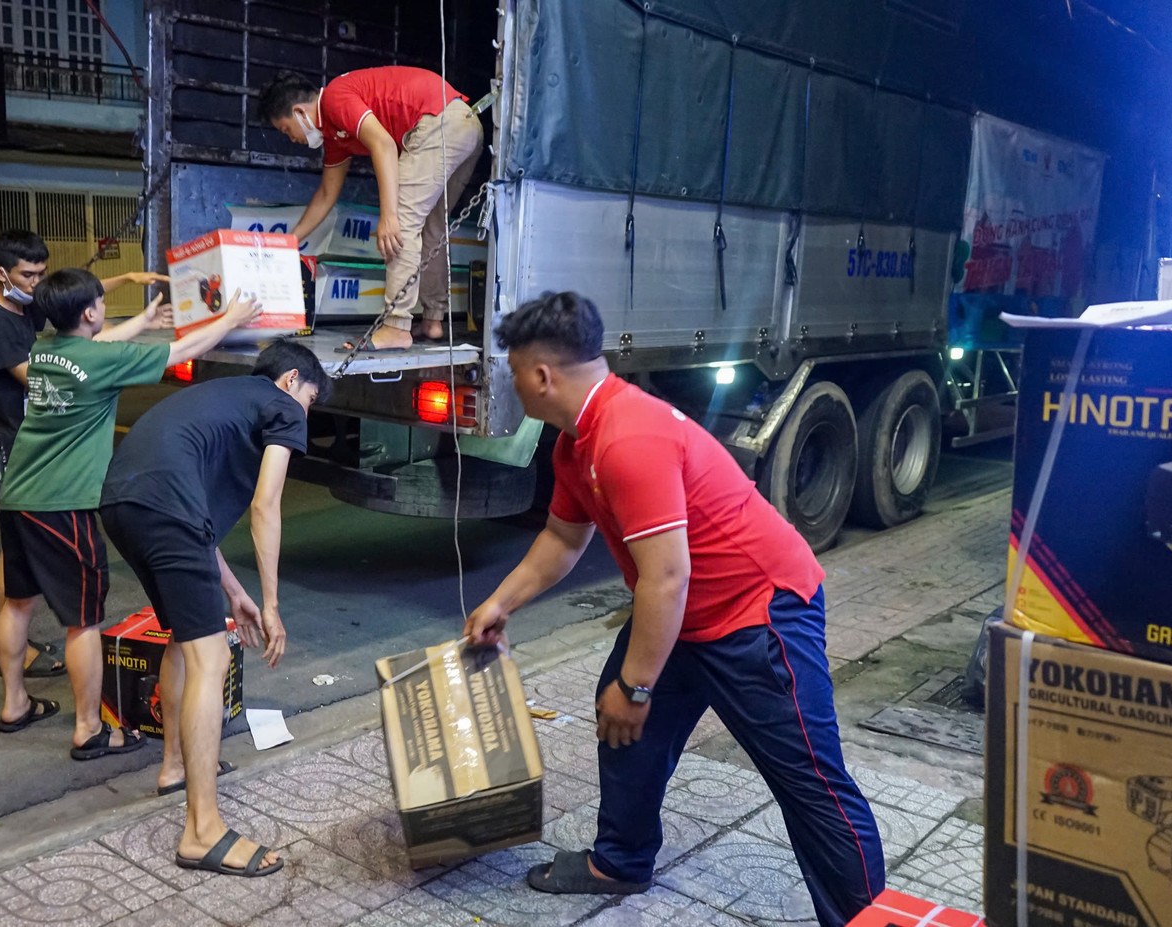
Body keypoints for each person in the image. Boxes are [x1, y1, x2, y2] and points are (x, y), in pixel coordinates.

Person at [462, 292, 885, 927]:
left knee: (812, 784)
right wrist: (500, 602)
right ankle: (621, 860)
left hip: (760, 612)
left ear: (541, 375)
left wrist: (638, 685)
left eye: (511, 369)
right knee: (623, 720)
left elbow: (664, 577)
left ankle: (871, 918)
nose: (510, 382)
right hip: (688, 611)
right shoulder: (577, 445)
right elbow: (561, 539)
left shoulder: (629, 437)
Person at [0, 268, 262, 763]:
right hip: (63, 504)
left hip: (17, 497)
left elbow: (101, 343)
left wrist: (141, 319)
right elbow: (182, 352)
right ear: (91, 312)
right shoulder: (101, 360)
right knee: (83, 621)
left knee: (17, 602)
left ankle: (14, 704)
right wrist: (231, 318)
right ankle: (90, 729)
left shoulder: (45, 352)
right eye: (101, 305)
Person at [100, 339, 328, 877]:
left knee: (186, 637)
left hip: (122, 502)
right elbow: (265, 504)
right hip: (164, 510)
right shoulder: (281, 406)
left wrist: (236, 593)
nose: (306, 414)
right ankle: (202, 832)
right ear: (292, 380)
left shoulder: (222, 398)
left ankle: (174, 766)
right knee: (212, 658)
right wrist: (272, 604)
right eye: (312, 399)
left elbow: (191, 521)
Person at [0, 229, 170, 677]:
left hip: (26, 450)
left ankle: (7, 655)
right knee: (20, 568)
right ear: (1, 273)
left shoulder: (27, 313)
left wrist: (126, 284)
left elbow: (75, 324)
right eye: (28, 275)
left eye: (41, 275)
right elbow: (69, 364)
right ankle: (7, 652)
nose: (36, 283)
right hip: (9, 449)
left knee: (17, 565)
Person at [260, 67, 482, 352]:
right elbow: (327, 193)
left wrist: (389, 217)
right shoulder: (335, 135)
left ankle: (396, 326)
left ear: (300, 112)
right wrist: (290, 241)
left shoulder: (335, 100)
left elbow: (384, 144)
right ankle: (433, 320)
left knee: (402, 223)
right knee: (431, 226)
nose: (292, 139)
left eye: (286, 129)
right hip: (463, 122)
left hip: (439, 124)